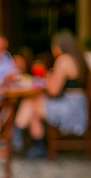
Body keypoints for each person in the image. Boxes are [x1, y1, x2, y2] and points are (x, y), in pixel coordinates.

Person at [14, 30, 89, 158]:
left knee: (30, 103)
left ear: (58, 46)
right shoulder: (79, 57)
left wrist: (49, 77)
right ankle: (30, 142)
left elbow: (54, 91)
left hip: (69, 109)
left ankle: (18, 134)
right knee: (32, 103)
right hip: (79, 105)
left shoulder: (63, 60)